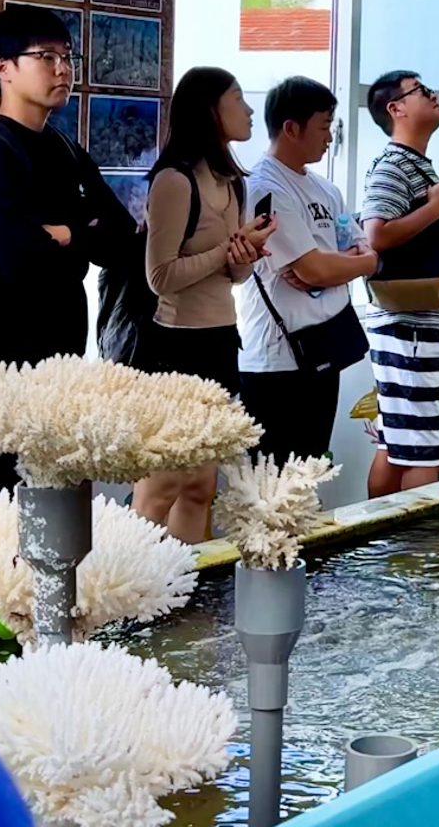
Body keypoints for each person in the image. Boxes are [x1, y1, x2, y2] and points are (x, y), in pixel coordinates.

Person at [0, 6, 131, 545]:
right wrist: (77, 234)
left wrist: (62, 234)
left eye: (67, 56)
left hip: (57, 356)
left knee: (47, 516)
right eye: (46, 56)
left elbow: (120, 239)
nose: (63, 69)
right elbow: (14, 256)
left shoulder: (65, 149)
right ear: (4, 68)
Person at [133, 67, 273, 543]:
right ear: (210, 109)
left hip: (220, 339)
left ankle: (185, 579)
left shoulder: (233, 182)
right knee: (161, 486)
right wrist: (224, 252)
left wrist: (244, 255)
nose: (249, 110)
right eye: (238, 98)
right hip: (175, 346)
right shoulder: (174, 181)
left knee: (200, 486)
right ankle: (133, 576)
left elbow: (234, 276)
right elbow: (160, 277)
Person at [237, 77, 376, 464]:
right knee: (270, 480)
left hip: (324, 350)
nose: (330, 138)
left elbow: (362, 249)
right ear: (291, 128)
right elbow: (314, 269)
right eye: (323, 127)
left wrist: (351, 264)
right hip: (275, 363)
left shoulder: (326, 189)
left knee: (310, 472)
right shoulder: (264, 188)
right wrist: (339, 265)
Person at [359, 71, 439, 496]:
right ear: (396, 108)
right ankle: (417, 539)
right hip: (409, 326)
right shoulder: (393, 165)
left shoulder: (414, 164)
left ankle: (377, 533)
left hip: (420, 326)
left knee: (396, 445)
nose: (433, 95)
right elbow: (376, 233)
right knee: (422, 453)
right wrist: (437, 208)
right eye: (421, 90)